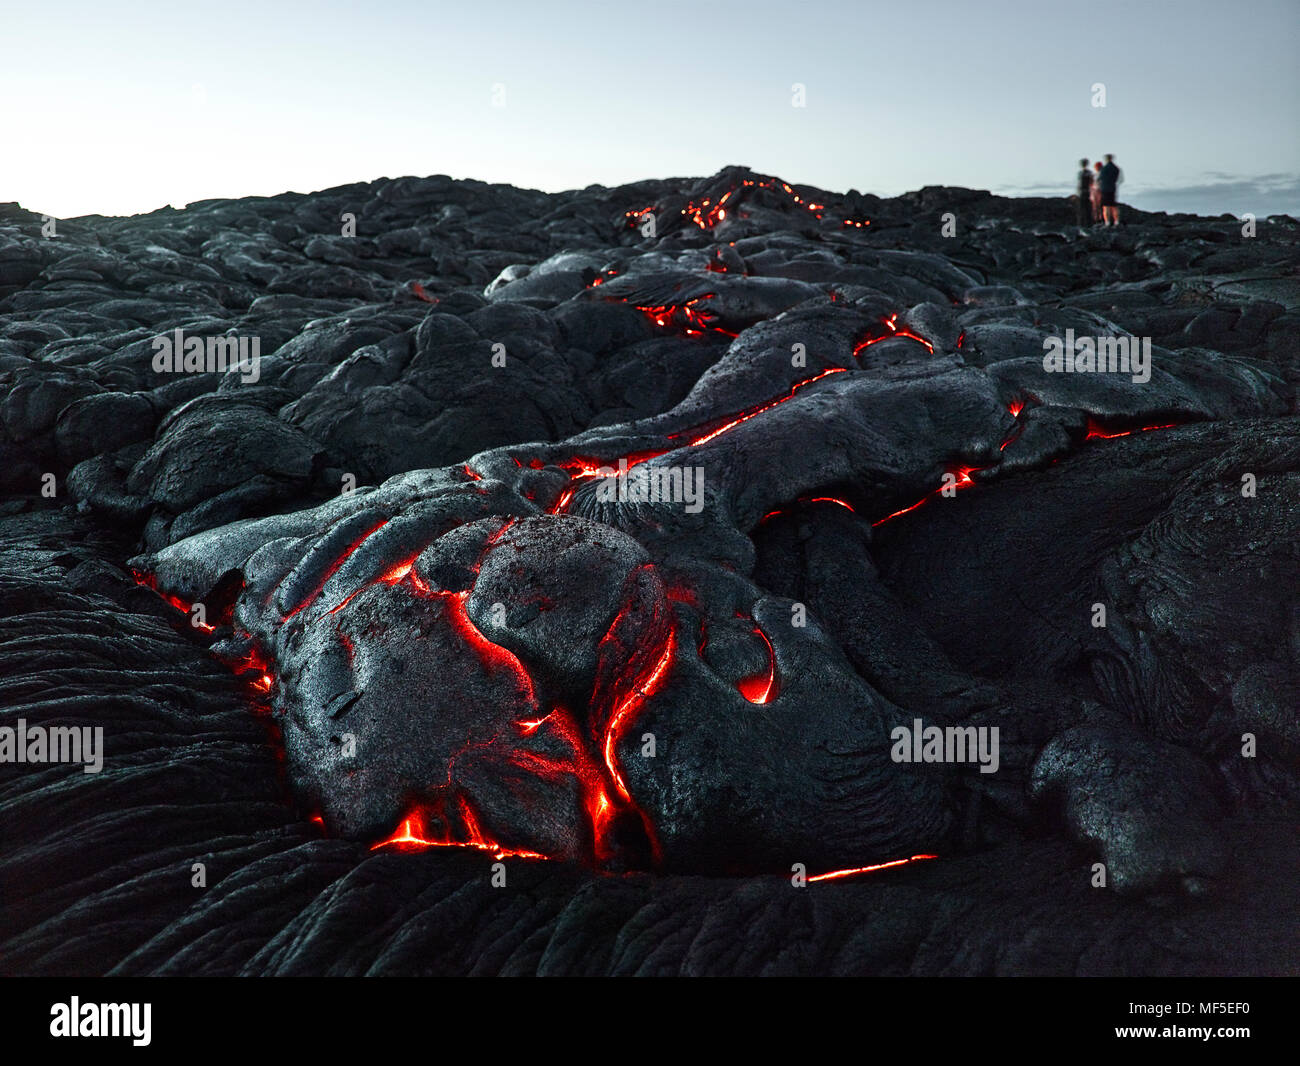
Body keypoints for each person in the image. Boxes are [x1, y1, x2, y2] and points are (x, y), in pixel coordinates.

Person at [1098, 154, 1122, 226]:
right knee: (1114, 205)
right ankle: (1116, 221)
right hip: (1113, 187)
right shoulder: (1116, 168)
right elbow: (1119, 179)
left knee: (1106, 206)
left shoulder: (1104, 168)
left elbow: (1100, 178)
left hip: (1105, 188)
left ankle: (1107, 222)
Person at [1075, 159, 1093, 227]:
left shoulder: (1080, 173)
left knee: (1081, 209)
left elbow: (1079, 184)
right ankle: (1088, 224)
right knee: (1088, 209)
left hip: (1082, 192)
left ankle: (1081, 224)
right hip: (1088, 191)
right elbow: (1091, 183)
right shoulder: (1089, 173)